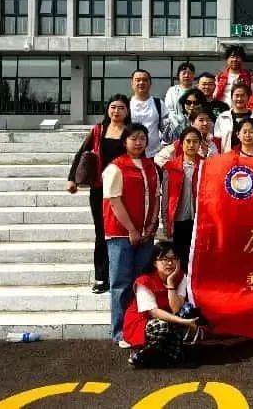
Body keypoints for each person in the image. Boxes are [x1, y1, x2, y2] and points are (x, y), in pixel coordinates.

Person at [102, 123, 160, 346]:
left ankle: (139, 328)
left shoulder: (150, 166)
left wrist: (152, 224)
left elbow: (156, 197)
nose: (138, 142)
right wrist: (131, 230)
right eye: (133, 138)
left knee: (141, 282)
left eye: (142, 138)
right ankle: (120, 332)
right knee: (121, 284)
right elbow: (114, 201)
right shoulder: (116, 167)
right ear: (124, 141)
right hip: (120, 235)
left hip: (146, 234)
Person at [67, 94, 130, 294]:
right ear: (107, 109)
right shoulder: (98, 130)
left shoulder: (130, 132)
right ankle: (101, 277)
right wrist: (72, 178)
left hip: (123, 189)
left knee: (121, 231)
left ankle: (119, 275)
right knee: (101, 233)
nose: (116, 111)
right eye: (113, 107)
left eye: (121, 107)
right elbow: (81, 153)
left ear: (127, 111)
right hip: (99, 188)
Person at [122, 242, 205, 368]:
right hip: (142, 322)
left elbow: (176, 308)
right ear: (154, 263)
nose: (170, 263)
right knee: (162, 326)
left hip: (170, 317)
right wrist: (184, 322)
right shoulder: (144, 281)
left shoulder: (181, 277)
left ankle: (157, 355)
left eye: (173, 259)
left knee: (175, 357)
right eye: (164, 259)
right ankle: (139, 352)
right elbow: (154, 312)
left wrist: (170, 283)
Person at [161, 127, 204, 270]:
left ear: (200, 144)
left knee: (197, 256)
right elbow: (165, 196)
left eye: (195, 141)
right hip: (178, 218)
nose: (191, 145)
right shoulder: (170, 167)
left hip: (199, 220)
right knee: (180, 257)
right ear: (181, 143)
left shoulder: (206, 165)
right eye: (188, 141)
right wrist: (166, 222)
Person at [129, 69, 168, 159]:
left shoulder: (159, 103)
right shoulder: (126, 104)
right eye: (138, 80)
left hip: (154, 155)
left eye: (145, 80)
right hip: (131, 155)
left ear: (150, 83)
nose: (141, 82)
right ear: (132, 83)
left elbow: (166, 130)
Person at [214, 82, 253, 153]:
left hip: (251, 156)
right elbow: (217, 140)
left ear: (248, 97)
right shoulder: (222, 117)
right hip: (227, 156)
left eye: (243, 95)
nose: (239, 98)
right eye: (237, 95)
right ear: (232, 97)